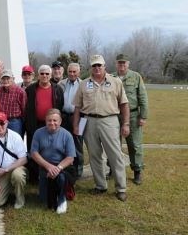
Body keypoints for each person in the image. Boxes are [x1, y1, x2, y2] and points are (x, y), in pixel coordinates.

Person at [73, 54, 130, 202]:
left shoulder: (115, 82)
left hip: (109, 121)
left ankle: (121, 188)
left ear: (105, 66)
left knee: (115, 155)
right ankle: (100, 185)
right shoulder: (84, 84)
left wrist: (126, 124)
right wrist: (75, 125)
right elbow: (78, 107)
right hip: (89, 121)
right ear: (91, 67)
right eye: (94, 65)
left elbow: (124, 104)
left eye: (99, 65)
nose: (97, 68)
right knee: (94, 155)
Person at [31, 109, 76, 214]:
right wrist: (48, 166)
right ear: (45, 121)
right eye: (49, 120)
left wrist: (58, 168)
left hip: (61, 167)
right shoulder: (38, 133)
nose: (52, 123)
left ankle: (62, 200)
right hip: (44, 166)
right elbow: (34, 153)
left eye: (55, 120)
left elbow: (70, 157)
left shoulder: (67, 135)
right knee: (43, 199)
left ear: (60, 121)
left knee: (60, 177)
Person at [114, 54, 149, 185]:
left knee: (134, 145)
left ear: (128, 64)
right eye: (119, 63)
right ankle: (113, 168)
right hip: (114, 116)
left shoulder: (135, 77)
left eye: (124, 63)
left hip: (133, 115)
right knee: (114, 144)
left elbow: (143, 96)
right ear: (116, 64)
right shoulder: (111, 77)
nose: (122, 65)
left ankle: (137, 171)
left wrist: (143, 116)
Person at [0, 112, 28, 209]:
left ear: (7, 123)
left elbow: (24, 159)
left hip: (15, 168)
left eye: (2, 123)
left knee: (18, 175)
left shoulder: (15, 136)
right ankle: (6, 193)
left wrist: (6, 169)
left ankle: (20, 199)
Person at [58, 63, 84, 178]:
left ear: (79, 72)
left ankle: (78, 170)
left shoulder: (84, 84)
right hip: (64, 117)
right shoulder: (61, 83)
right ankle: (66, 167)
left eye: (74, 72)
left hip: (81, 118)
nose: (72, 74)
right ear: (67, 72)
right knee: (64, 143)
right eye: (70, 71)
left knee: (78, 143)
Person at [0, 69, 27, 137]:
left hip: (15, 121)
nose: (5, 80)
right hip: (1, 121)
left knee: (16, 141)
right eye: (3, 79)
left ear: (13, 78)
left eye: (8, 78)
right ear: (0, 80)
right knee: (2, 141)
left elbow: (24, 109)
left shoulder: (20, 92)